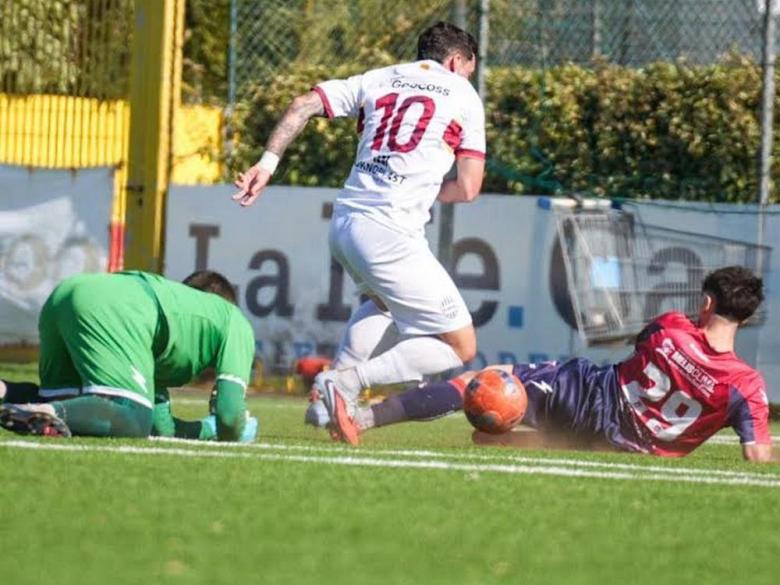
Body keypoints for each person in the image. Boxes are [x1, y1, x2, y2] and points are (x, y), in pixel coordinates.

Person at [232, 22, 486, 444]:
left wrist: (267, 164)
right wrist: (425, 189)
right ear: (456, 61)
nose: (466, 78)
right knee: (460, 347)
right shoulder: (463, 94)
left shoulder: (377, 78)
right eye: (468, 70)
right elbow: (469, 187)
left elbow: (301, 105)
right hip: (391, 230)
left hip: (347, 222)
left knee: (383, 306)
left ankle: (323, 402)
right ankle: (345, 385)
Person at [312, 266, 773, 462]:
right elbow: (756, 455)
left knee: (483, 381)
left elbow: (642, 345)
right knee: (513, 435)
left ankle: (362, 418)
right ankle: (520, 438)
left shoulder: (672, 327)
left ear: (707, 302)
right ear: (747, 318)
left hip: (589, 399)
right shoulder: (747, 386)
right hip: (625, 448)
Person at [0, 270, 257, 442]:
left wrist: (202, 429)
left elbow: (161, 428)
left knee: (70, 397)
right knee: (134, 420)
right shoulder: (233, 319)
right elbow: (229, 414)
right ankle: (45, 412)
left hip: (67, 293)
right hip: (114, 305)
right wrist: (231, 430)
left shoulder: (173, 320)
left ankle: (5, 391)